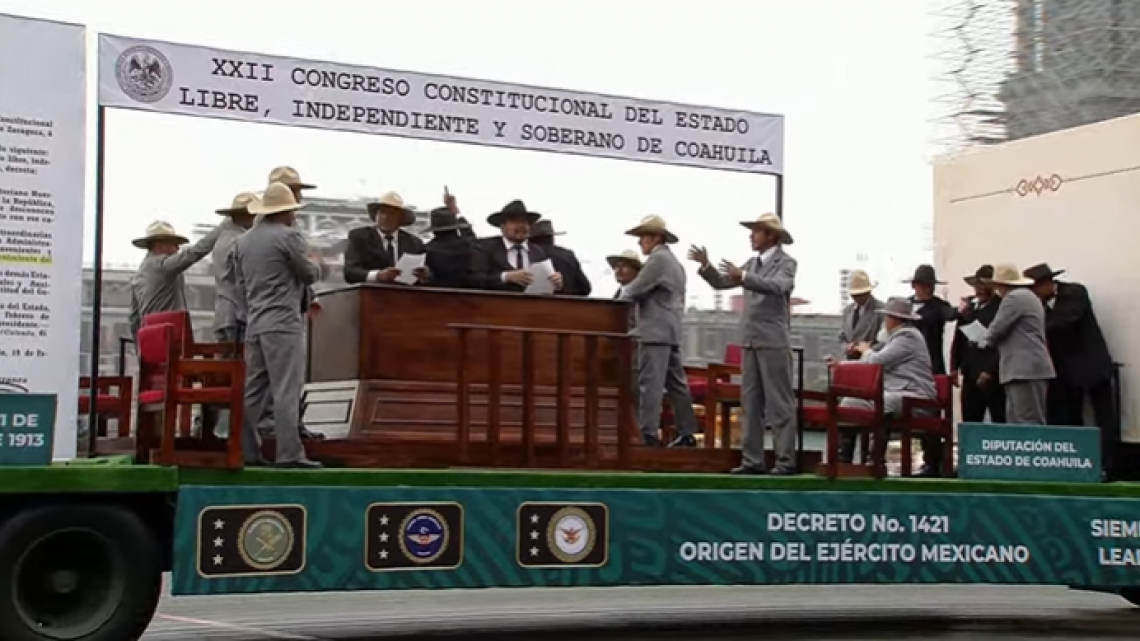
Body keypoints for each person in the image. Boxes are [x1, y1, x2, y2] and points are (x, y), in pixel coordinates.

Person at [689, 212, 798, 475]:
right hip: (749, 341)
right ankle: (753, 461)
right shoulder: (752, 263)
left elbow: (779, 286)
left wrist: (745, 277)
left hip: (773, 341)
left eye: (756, 231)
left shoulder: (786, 263)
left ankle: (785, 461)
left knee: (779, 404)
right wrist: (707, 266)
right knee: (750, 404)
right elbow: (723, 282)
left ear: (770, 236)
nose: (751, 236)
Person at [232, 182, 322, 469]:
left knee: (253, 391)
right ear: (285, 211)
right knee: (286, 389)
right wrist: (316, 263)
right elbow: (308, 274)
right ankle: (290, 453)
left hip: (255, 322)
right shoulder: (288, 236)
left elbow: (241, 284)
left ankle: (246, 450)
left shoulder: (242, 242)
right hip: (283, 322)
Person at [1025, 262, 1117, 477]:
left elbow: (1066, 321)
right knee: (1071, 416)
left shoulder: (1074, 292)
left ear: (1047, 283)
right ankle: (1078, 462)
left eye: (1035, 289)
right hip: (1065, 371)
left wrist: (1034, 327)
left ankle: (1107, 464)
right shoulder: (1041, 306)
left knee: (1103, 417)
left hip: (1091, 365)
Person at [620, 215, 698, 447]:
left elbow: (633, 289)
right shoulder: (674, 262)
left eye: (643, 237)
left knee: (650, 384)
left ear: (655, 237)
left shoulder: (658, 260)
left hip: (654, 332)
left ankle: (648, 434)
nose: (640, 242)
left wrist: (618, 303)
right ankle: (687, 433)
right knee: (676, 384)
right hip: (670, 331)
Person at [208, 192, 262, 439]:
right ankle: (230, 430)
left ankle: (224, 429)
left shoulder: (224, 238)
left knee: (229, 372)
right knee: (239, 374)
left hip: (225, 312)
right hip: (236, 313)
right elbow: (242, 281)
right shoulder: (237, 241)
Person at [975, 264, 1055, 425]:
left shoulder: (1014, 298)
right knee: (1019, 419)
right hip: (1027, 368)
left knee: (1027, 420)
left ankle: (1032, 450)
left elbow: (996, 330)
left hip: (1023, 370)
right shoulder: (1028, 296)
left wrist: (980, 340)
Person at [903, 264, 956, 476]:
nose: (927, 289)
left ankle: (932, 463)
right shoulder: (904, 306)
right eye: (923, 285)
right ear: (915, 285)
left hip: (931, 366)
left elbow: (951, 314)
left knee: (931, 416)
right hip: (906, 368)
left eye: (930, 285)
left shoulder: (939, 307)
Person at [129, 220, 221, 340]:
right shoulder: (162, 265)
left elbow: (134, 318)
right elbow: (194, 253)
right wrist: (222, 228)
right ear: (160, 245)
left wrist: (140, 347)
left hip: (151, 339)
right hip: (170, 337)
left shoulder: (138, 276)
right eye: (174, 244)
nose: (177, 249)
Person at [837, 269, 885, 464]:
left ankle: (869, 456)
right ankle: (845, 453)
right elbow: (841, 337)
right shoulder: (848, 311)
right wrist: (847, 347)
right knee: (847, 408)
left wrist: (867, 349)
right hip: (851, 365)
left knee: (866, 409)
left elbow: (885, 341)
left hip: (870, 367)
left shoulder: (880, 310)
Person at [950, 264, 1005, 424]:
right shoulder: (969, 307)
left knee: (998, 417)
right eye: (977, 286)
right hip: (969, 370)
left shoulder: (1001, 307)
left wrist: (990, 370)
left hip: (992, 373)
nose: (979, 290)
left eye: (983, 286)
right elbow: (958, 337)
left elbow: (1001, 341)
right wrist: (954, 367)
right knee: (970, 418)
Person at [468, 200, 563, 293]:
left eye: (525, 222)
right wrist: (506, 277)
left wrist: (556, 283)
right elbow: (473, 279)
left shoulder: (538, 251)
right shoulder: (484, 248)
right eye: (515, 222)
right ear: (502, 226)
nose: (521, 226)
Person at [343, 192, 428, 285]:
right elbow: (350, 272)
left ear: (400, 218)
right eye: (382, 212)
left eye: (392, 214)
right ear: (375, 215)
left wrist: (424, 275)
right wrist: (378, 275)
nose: (385, 217)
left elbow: (427, 276)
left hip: (404, 296)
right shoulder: (359, 237)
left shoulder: (414, 243)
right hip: (371, 295)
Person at [529, 219, 592, 296]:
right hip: (566, 305)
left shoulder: (528, 254)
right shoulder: (568, 255)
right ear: (552, 237)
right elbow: (585, 288)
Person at [424, 207, 475, 289]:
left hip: (438, 295)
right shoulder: (469, 245)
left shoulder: (427, 250)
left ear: (434, 230)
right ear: (456, 227)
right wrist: (458, 214)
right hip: (468, 295)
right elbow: (471, 237)